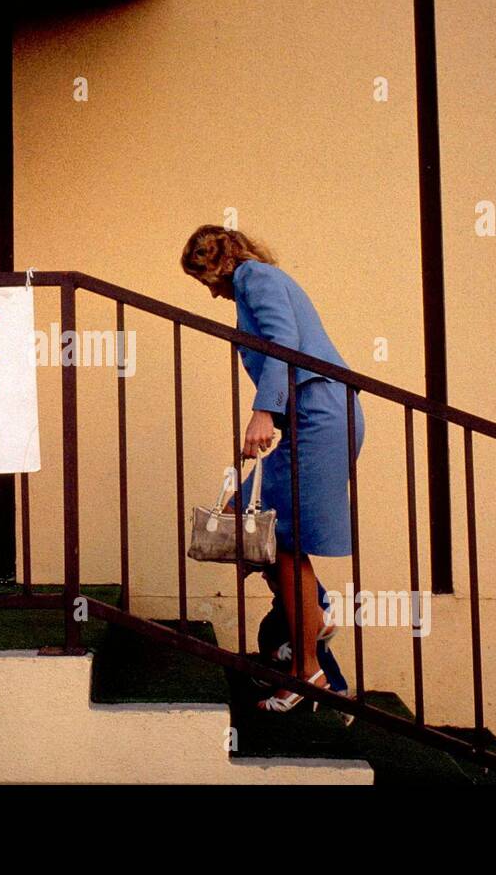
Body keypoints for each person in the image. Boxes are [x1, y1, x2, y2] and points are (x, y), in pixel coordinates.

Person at [181, 225, 365, 713]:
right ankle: (314, 621)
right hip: (311, 414)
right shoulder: (253, 283)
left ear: (218, 263)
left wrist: (263, 412)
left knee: (279, 538)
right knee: (245, 520)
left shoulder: (253, 278)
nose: (212, 292)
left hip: (321, 413)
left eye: (205, 280)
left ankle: (310, 668)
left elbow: (284, 340)